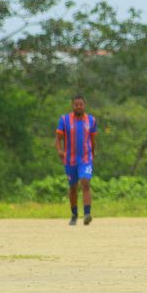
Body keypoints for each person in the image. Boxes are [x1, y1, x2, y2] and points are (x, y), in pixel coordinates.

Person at [55, 95, 97, 226]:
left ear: (85, 105)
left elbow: (92, 139)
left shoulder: (91, 120)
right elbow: (58, 138)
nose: (78, 107)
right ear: (72, 106)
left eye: (81, 104)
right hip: (70, 159)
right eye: (76, 104)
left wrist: (93, 154)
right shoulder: (64, 120)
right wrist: (60, 150)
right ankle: (74, 214)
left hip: (85, 158)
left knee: (85, 182)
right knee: (73, 187)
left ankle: (87, 214)